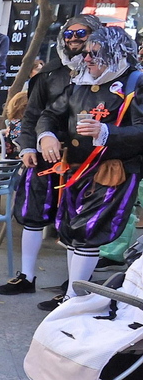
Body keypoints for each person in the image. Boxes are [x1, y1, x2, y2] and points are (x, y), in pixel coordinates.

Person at [34, 24, 143, 311]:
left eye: (95, 53)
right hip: (75, 169)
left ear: (115, 53)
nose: (88, 59)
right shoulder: (79, 81)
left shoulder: (136, 83)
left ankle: (71, 300)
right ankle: (73, 295)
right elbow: (50, 114)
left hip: (113, 171)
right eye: (87, 53)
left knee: (87, 232)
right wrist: (46, 136)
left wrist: (106, 133)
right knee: (70, 231)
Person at [0, 15, 101, 296]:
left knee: (76, 224)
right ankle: (26, 277)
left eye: (81, 32)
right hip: (46, 156)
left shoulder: (110, 75)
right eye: (68, 34)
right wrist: (29, 146)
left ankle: (73, 288)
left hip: (87, 162)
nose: (73, 38)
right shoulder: (50, 73)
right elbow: (33, 114)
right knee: (32, 214)